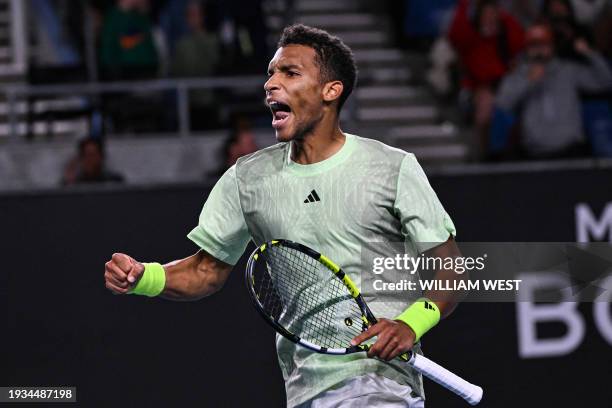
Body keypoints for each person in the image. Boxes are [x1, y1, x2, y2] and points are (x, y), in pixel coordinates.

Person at [104, 24, 465, 407]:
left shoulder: (392, 167)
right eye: (271, 74)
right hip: (304, 389)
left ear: (331, 90)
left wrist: (413, 322)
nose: (271, 84)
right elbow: (206, 270)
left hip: (380, 387)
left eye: (290, 73)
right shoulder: (248, 179)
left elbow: (452, 269)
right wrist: (144, 277)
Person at [496, 23, 612, 158]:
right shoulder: (519, 74)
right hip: (535, 153)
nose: (539, 50)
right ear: (527, 48)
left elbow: (606, 82)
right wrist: (528, 82)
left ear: (552, 46)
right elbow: (502, 103)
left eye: (543, 44)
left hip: (571, 150)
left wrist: (590, 54)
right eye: (534, 45)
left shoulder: (568, 70)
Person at [448, 0, 525, 157]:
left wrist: (501, 19)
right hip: (475, 90)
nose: (489, 19)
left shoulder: (505, 36)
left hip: (504, 86)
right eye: (486, 15)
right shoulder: (471, 38)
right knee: (485, 103)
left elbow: (522, 40)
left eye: (493, 15)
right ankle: (483, 155)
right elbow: (454, 34)